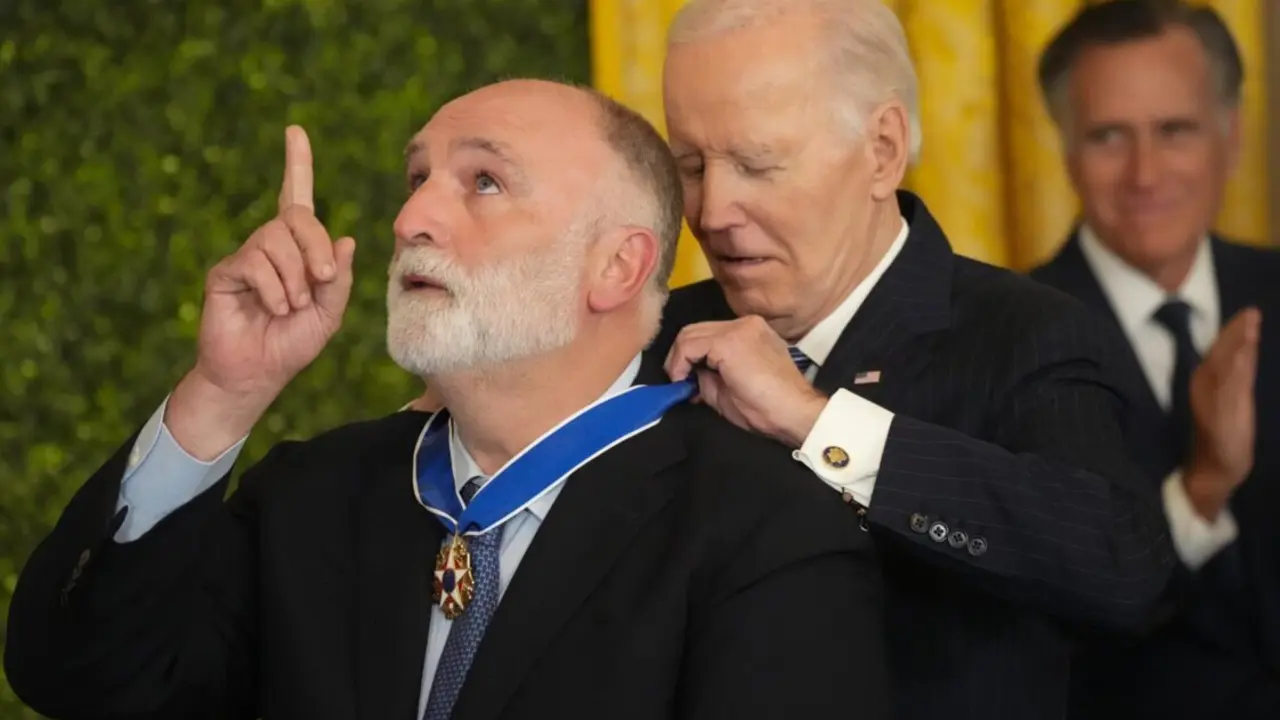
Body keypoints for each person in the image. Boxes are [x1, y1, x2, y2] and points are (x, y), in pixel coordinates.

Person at [4, 80, 891, 720]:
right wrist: (223, 393)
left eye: (484, 182)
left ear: (617, 266)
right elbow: (77, 681)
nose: (411, 220)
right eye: (417, 180)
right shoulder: (309, 496)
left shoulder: (771, 531)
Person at [619, 0, 1176, 717]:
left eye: (757, 164)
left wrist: (820, 425)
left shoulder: (1027, 332)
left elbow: (1124, 568)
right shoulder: (646, 333)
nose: (713, 211)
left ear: (882, 150)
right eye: (690, 166)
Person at [1028, 2, 1280, 716]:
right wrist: (1200, 489)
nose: (1145, 174)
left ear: (1231, 137)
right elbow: (1045, 630)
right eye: (1109, 136)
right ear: (1067, 152)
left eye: (1175, 130)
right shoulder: (1005, 341)